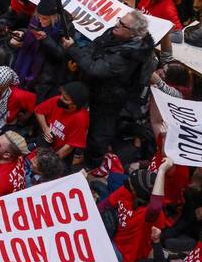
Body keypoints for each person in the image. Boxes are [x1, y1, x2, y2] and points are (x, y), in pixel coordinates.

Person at [64, 11, 155, 171]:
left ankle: (92, 165)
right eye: (119, 20)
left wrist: (73, 49)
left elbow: (96, 69)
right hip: (92, 87)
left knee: (99, 133)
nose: (116, 25)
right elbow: (94, 47)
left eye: (122, 24)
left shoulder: (131, 55)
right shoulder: (113, 34)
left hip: (109, 98)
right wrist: (79, 59)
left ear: (133, 33)